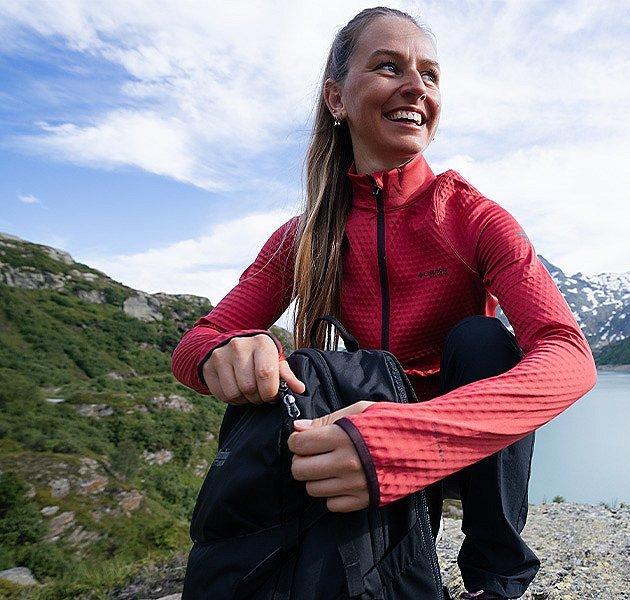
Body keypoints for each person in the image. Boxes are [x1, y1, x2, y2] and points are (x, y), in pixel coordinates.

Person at [170, 6, 597, 599]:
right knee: (304, 367)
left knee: (483, 340)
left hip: (450, 446)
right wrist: (229, 353)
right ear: (336, 99)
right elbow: (194, 343)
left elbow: (569, 357)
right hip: (356, 448)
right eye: (389, 66)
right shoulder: (305, 236)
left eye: (430, 74)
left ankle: (495, 579)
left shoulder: (474, 218)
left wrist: (410, 437)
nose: (416, 87)